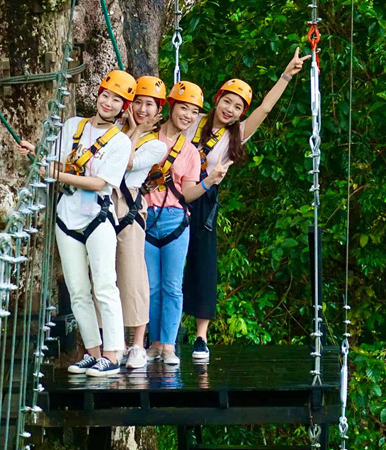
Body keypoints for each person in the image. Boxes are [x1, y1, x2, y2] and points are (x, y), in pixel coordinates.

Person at [182, 48, 311, 361]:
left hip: (204, 199)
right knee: (165, 264)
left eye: (238, 107)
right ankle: (159, 336)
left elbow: (265, 109)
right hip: (173, 194)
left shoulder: (236, 134)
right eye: (227, 101)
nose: (230, 109)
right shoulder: (192, 120)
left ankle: (201, 337)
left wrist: (286, 75)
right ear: (217, 99)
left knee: (203, 264)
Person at [17, 70, 136, 377]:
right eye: (105, 95)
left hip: (98, 217)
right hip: (67, 215)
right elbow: (57, 162)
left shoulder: (121, 142)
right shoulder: (74, 126)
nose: (108, 103)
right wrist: (36, 155)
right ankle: (93, 353)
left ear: (124, 107)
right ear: (98, 95)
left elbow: (98, 182)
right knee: (78, 290)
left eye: (116, 100)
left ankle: (113, 353)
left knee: (105, 285)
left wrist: (56, 175)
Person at [142, 81, 230, 365]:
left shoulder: (190, 152)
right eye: (184, 108)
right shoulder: (147, 138)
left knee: (172, 286)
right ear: (171, 107)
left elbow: (189, 192)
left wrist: (210, 180)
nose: (188, 116)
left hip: (175, 219)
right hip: (145, 216)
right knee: (151, 287)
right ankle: (154, 342)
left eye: (194, 112)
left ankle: (167, 345)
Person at [114, 76, 168, 369]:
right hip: (104, 200)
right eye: (138, 102)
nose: (142, 109)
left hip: (130, 204)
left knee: (133, 273)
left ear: (158, 111)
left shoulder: (156, 145)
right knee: (107, 274)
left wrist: (136, 130)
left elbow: (126, 161)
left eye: (149, 104)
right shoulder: (114, 130)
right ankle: (116, 342)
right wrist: (131, 128)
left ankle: (137, 343)